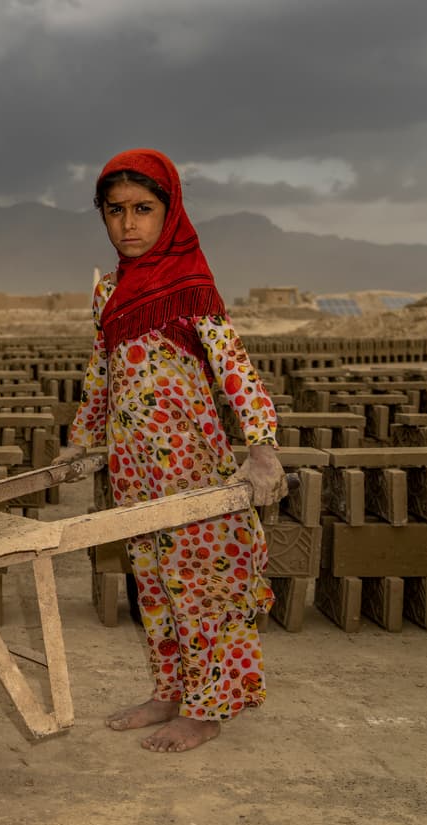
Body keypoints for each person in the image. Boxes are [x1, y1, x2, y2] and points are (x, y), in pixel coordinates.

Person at [57, 148, 286, 752]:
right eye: (115, 211)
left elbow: (233, 364)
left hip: (191, 465)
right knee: (151, 579)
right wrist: (82, 443)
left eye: (143, 209)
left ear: (170, 211)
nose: (128, 224)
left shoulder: (189, 282)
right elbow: (102, 370)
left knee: (201, 583)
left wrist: (262, 446)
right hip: (133, 467)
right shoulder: (109, 292)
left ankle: (205, 709)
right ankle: (168, 690)